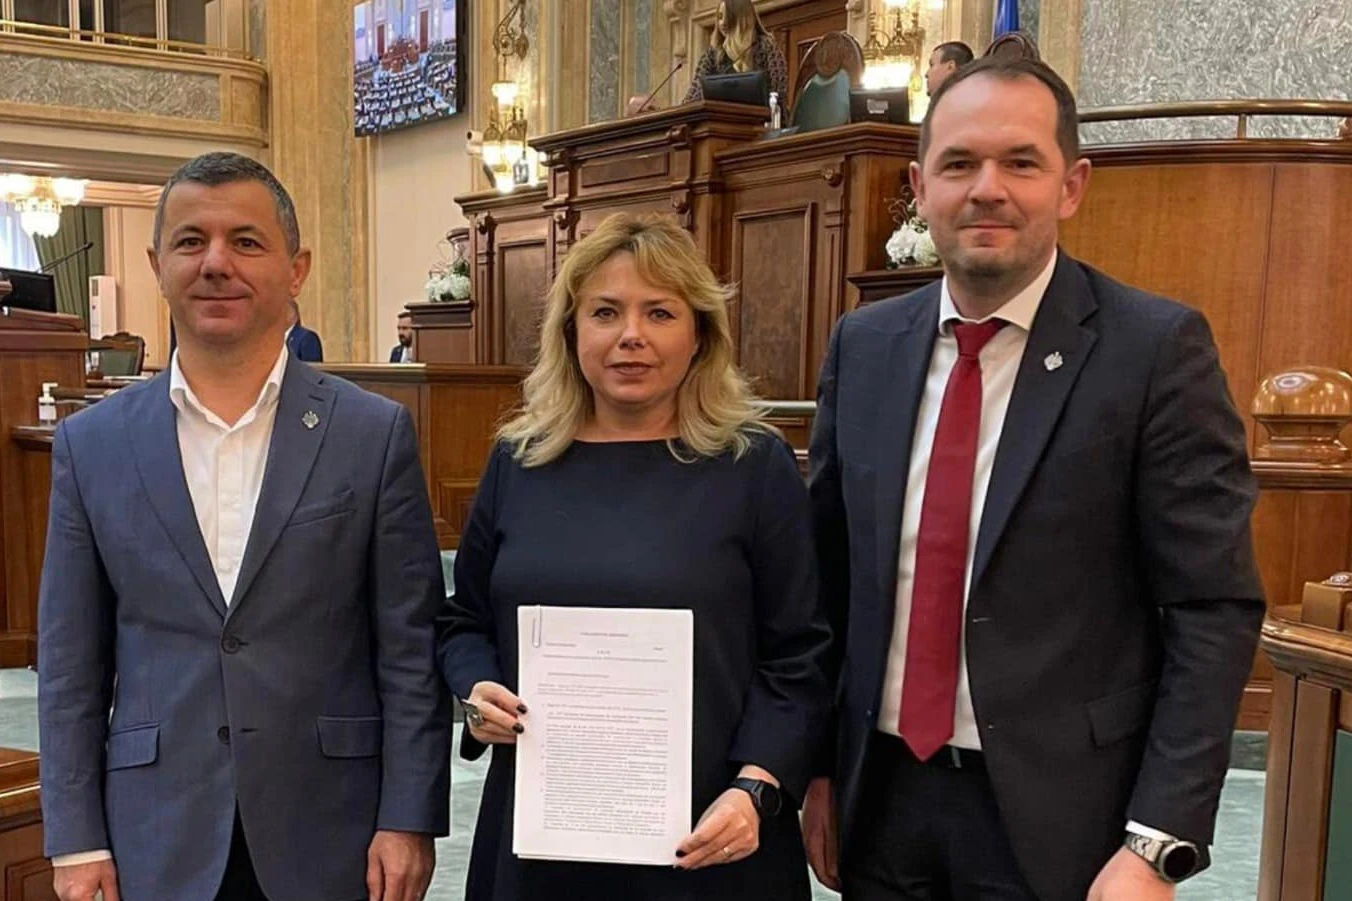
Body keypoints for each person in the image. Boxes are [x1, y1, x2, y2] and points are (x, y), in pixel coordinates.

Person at [802, 56, 1265, 901]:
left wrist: (1157, 840)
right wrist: (818, 767)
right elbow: (829, 582)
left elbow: (1212, 609)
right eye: (958, 163)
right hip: (882, 806)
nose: (988, 190)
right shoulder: (862, 346)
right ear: (920, 188)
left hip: (1066, 825)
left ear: (1072, 185)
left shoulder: (1154, 352)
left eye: (1020, 162)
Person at [38, 151, 451, 901]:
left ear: (296, 269)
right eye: (191, 241)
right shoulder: (91, 445)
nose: (216, 263)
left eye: (247, 241)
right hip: (153, 832)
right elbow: (70, 664)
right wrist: (75, 836)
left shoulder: (372, 434)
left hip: (333, 828)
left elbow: (407, 648)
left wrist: (409, 815)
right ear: (157, 265)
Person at [438, 212, 832, 901]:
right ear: (571, 331)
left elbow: (800, 654)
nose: (631, 335)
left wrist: (758, 786)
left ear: (699, 333)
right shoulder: (519, 462)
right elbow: (463, 620)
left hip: (712, 835)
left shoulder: (752, 465)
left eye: (660, 312)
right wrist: (476, 689)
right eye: (605, 312)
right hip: (542, 837)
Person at [682, 0, 789, 109]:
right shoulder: (712, 54)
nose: (722, 23)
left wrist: (741, 64)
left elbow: (777, 95)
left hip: (758, 117)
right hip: (720, 117)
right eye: (720, 17)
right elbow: (693, 97)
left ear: (743, 18)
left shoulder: (766, 47)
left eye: (728, 16)